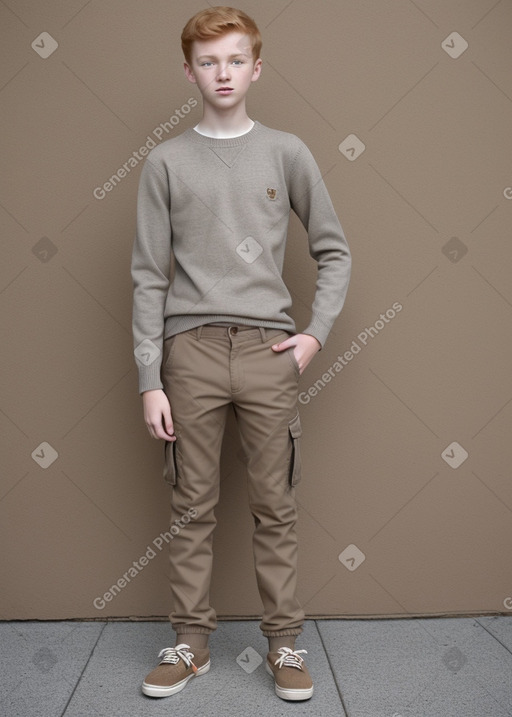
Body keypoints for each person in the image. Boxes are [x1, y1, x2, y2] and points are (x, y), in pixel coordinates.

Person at [131, 5, 351, 702]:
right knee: (190, 508)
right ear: (188, 69)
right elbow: (147, 274)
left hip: (268, 351)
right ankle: (190, 645)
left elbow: (334, 248)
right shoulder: (164, 161)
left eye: (234, 59)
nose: (221, 73)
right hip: (188, 354)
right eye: (207, 60)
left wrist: (314, 333)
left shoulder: (287, 152)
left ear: (256, 67)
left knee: (274, 505)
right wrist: (149, 378)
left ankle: (284, 643)